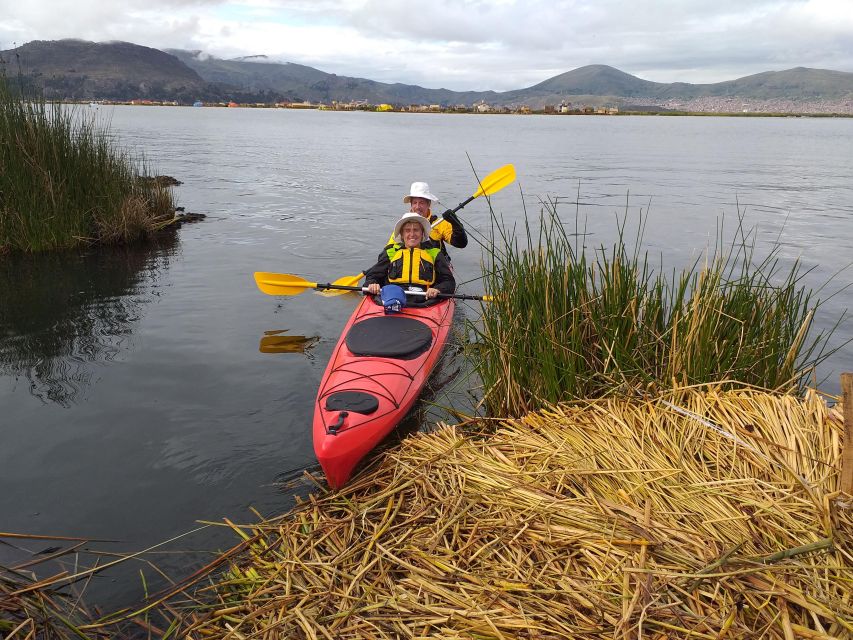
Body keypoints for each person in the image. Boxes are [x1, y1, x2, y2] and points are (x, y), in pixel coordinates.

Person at [366, 212, 455, 300]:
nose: (412, 234)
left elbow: (449, 282)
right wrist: (372, 284)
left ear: (422, 233)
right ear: (402, 234)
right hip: (393, 298)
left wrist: (438, 289)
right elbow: (372, 276)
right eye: (407, 230)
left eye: (416, 230)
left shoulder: (435, 254)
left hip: (425, 301)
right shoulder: (390, 253)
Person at [383, 181, 467, 260]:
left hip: (436, 266)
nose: (417, 207)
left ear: (429, 204)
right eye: (415, 203)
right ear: (411, 205)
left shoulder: (439, 223)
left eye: (421, 203)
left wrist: (455, 223)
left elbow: (460, 243)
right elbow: (388, 251)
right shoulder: (403, 225)